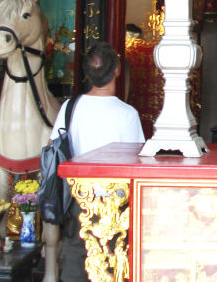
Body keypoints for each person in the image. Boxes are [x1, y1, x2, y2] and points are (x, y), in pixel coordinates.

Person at [48, 41, 145, 282]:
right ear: (117, 70)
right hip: (114, 205)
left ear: (87, 73)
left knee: (75, 259)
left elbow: (53, 149)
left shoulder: (69, 108)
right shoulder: (127, 114)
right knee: (114, 263)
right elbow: (137, 164)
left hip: (77, 200)